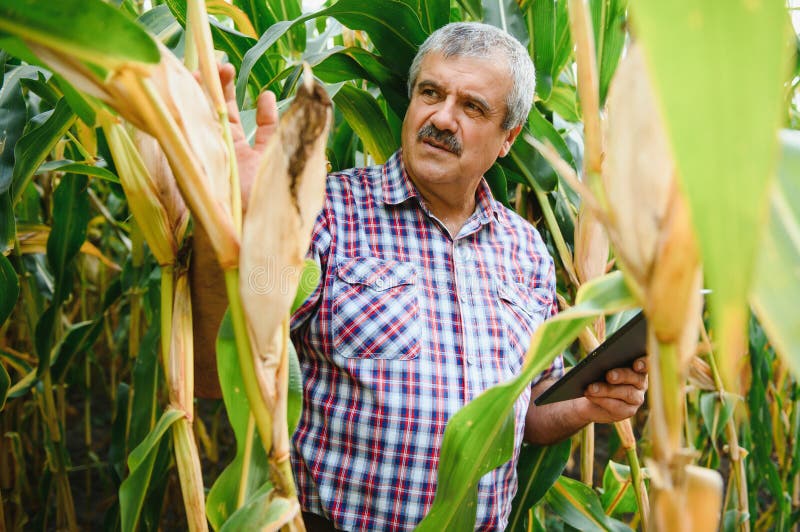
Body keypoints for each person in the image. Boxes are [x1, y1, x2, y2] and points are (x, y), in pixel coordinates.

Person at [193, 21, 648, 532]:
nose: (443, 118)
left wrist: (586, 405)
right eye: (430, 93)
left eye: (473, 107)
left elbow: (526, 416)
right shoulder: (324, 211)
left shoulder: (526, 251)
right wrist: (233, 237)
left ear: (508, 138)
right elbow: (217, 369)